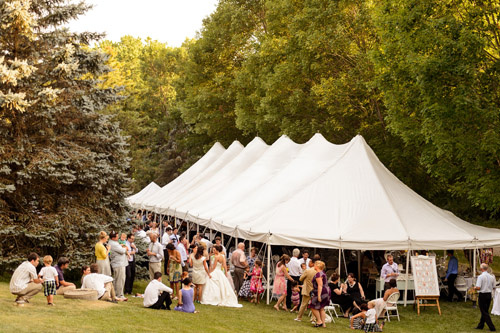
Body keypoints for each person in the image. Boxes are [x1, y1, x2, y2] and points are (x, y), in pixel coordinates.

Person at [309, 260, 331, 328]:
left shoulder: (318, 274)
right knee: (321, 308)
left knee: (312, 306)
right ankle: (323, 324)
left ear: (317, 266)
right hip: (327, 291)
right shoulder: (323, 273)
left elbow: (320, 285)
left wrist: (318, 296)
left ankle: (319, 321)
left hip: (322, 292)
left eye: (314, 264)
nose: (313, 266)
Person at [474, 263, 496, 331]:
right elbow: (494, 286)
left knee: (484, 312)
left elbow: (478, 287)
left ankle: (492, 327)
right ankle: (480, 325)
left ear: (481, 269)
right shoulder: (492, 277)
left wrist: (474, 288)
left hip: (483, 294)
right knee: (485, 310)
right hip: (489, 294)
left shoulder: (480, 277)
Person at [108, 231, 129, 300]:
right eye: (117, 236)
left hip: (119, 263)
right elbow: (122, 251)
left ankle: (116, 294)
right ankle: (119, 295)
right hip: (119, 264)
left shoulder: (114, 243)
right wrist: (125, 248)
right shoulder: (113, 244)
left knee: (118, 279)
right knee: (120, 279)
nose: (118, 237)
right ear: (113, 238)